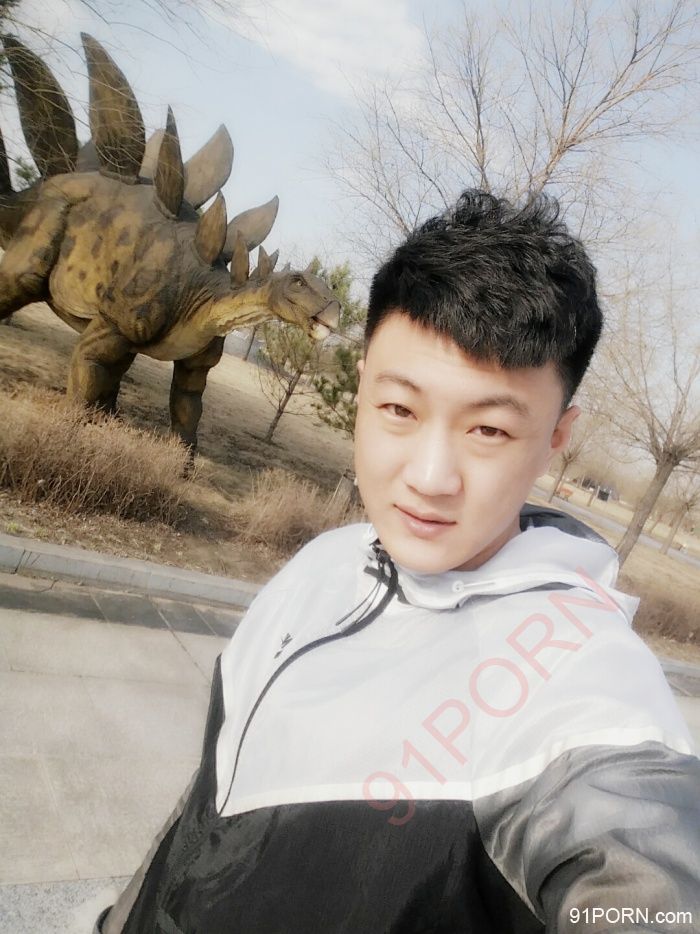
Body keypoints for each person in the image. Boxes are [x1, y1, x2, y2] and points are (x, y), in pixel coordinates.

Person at [97, 191, 700, 933]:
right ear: (362, 389)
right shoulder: (322, 564)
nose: (429, 477)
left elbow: (646, 873)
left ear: (556, 438)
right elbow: (206, 802)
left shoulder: (575, 676)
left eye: (488, 430)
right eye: (400, 410)